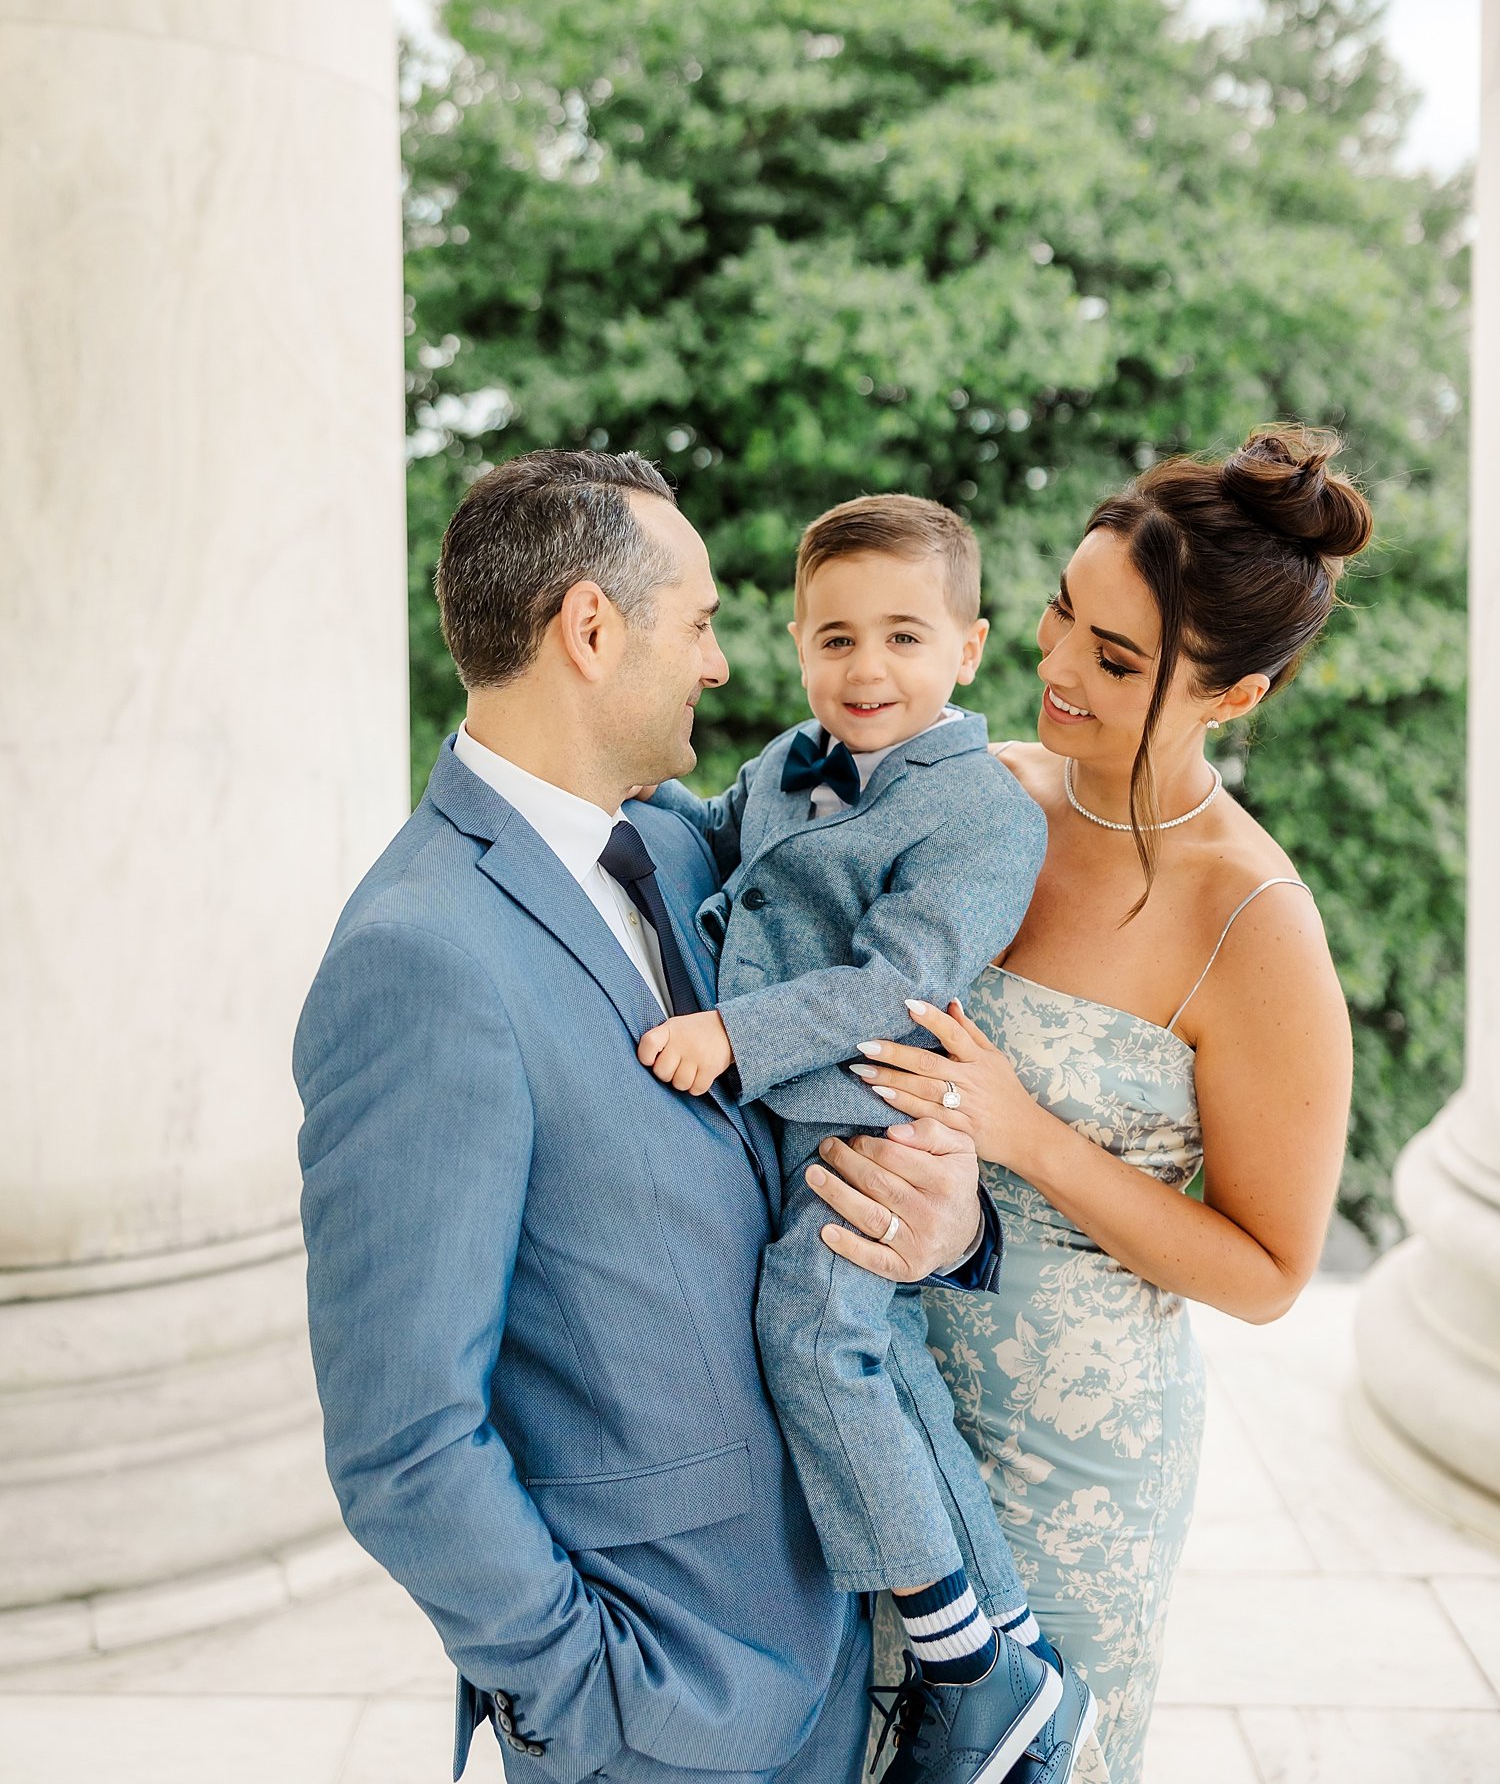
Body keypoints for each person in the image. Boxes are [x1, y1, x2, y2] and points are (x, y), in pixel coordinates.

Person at [293, 450, 1002, 1784]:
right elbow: (404, 1439)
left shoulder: (685, 844)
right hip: (664, 1711)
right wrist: (594, 1695)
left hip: (837, 1644)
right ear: (592, 629)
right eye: (702, 622)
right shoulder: (419, 957)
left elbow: (822, 1095)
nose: (724, 665)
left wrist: (951, 1219)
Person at [857, 427, 1365, 1784]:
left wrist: (1026, 1133)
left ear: (1234, 697)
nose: (1059, 668)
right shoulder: (979, 787)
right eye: (1064, 613)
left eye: (1120, 659)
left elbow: (1268, 1272)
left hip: (1069, 1468)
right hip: (875, 1399)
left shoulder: (1250, 920)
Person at [647, 495, 1094, 1784]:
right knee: (876, 1369)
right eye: (835, 638)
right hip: (784, 1129)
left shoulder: (983, 814)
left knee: (814, 1330)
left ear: (970, 649)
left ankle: (963, 1670)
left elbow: (900, 985)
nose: (867, 668)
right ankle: (1004, 1653)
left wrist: (732, 1031)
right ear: (796, 643)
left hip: (869, 1130)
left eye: (904, 637)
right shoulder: (790, 761)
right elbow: (708, 836)